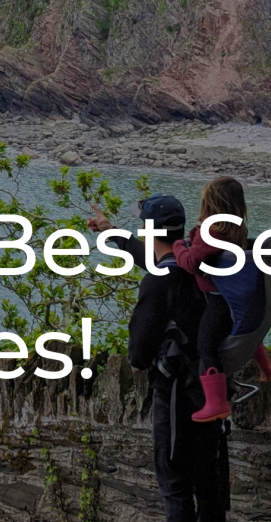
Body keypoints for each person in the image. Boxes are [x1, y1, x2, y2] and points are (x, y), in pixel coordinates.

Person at [89, 194, 228, 522]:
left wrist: (138, 363)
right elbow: (152, 258)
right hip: (209, 387)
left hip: (177, 394)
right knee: (207, 483)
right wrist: (111, 231)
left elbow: (139, 350)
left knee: (174, 482)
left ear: (149, 231)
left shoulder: (158, 281)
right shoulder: (195, 266)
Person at [171, 176, 271, 423]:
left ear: (210, 205)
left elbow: (190, 262)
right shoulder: (237, 230)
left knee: (206, 345)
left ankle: (216, 403)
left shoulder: (211, 233)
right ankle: (267, 370)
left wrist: (178, 245)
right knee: (241, 330)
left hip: (219, 300)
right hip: (240, 299)